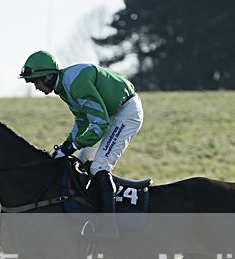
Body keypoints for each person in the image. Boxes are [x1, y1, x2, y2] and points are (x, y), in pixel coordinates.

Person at [19, 50, 143, 239]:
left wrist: (73, 145)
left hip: (126, 113)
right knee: (83, 161)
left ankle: (110, 227)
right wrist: (66, 145)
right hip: (111, 114)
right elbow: (83, 120)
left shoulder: (76, 85)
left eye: (36, 81)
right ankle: (92, 215)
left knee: (100, 166)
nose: (36, 87)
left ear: (49, 76)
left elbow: (100, 124)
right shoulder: (64, 88)